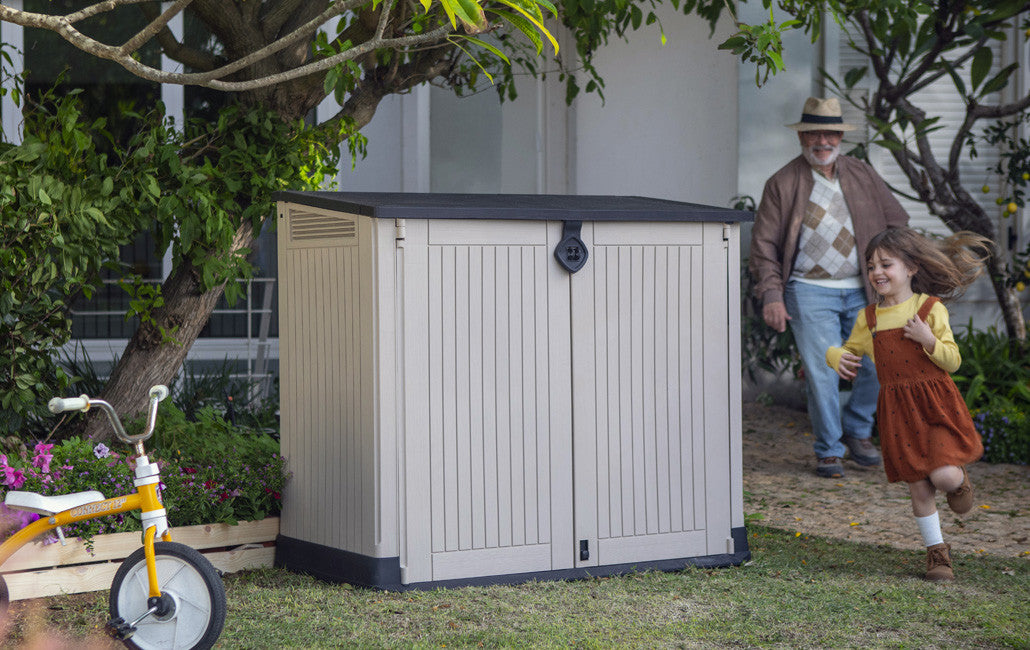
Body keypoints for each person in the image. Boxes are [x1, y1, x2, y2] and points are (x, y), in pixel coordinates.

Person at [750, 96, 910, 478]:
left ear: (840, 137)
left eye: (830, 133)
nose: (822, 141)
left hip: (864, 289)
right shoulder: (782, 183)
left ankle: (857, 428)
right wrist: (772, 295)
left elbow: (897, 221)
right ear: (801, 137)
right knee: (825, 369)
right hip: (808, 290)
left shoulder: (862, 173)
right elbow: (763, 247)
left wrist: (895, 275)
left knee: (880, 361)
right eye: (814, 133)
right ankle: (829, 450)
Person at [827, 227, 988, 582]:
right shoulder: (868, 318)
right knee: (918, 485)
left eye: (886, 264)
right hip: (898, 413)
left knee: (942, 475)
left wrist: (928, 340)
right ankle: (937, 554)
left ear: (912, 267)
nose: (877, 272)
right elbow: (849, 350)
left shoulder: (930, 308)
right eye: (871, 266)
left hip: (935, 406)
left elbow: (953, 361)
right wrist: (834, 356)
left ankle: (958, 482)